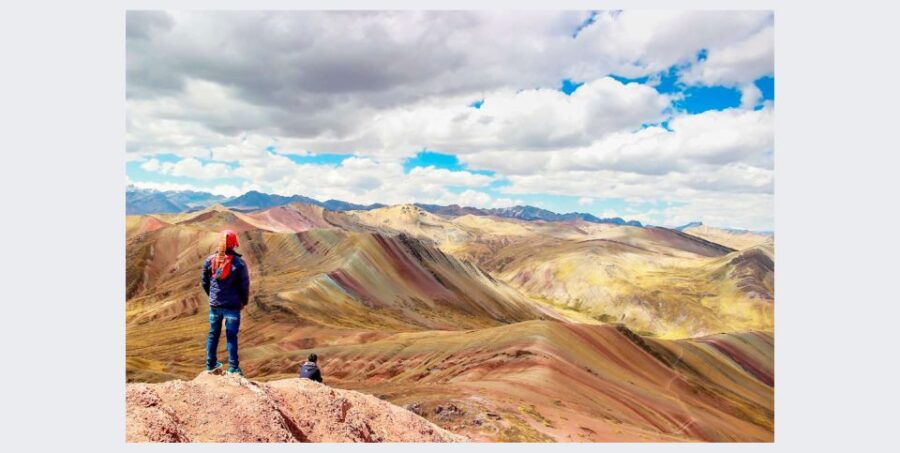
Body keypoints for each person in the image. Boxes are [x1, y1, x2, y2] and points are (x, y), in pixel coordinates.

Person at [201, 229, 251, 376]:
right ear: (233, 244)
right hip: (233, 306)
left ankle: (210, 365)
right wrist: (243, 302)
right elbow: (244, 286)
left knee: (213, 334)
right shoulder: (239, 263)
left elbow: (204, 283)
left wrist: (212, 296)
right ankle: (233, 368)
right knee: (231, 336)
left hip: (215, 305)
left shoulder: (210, 261)